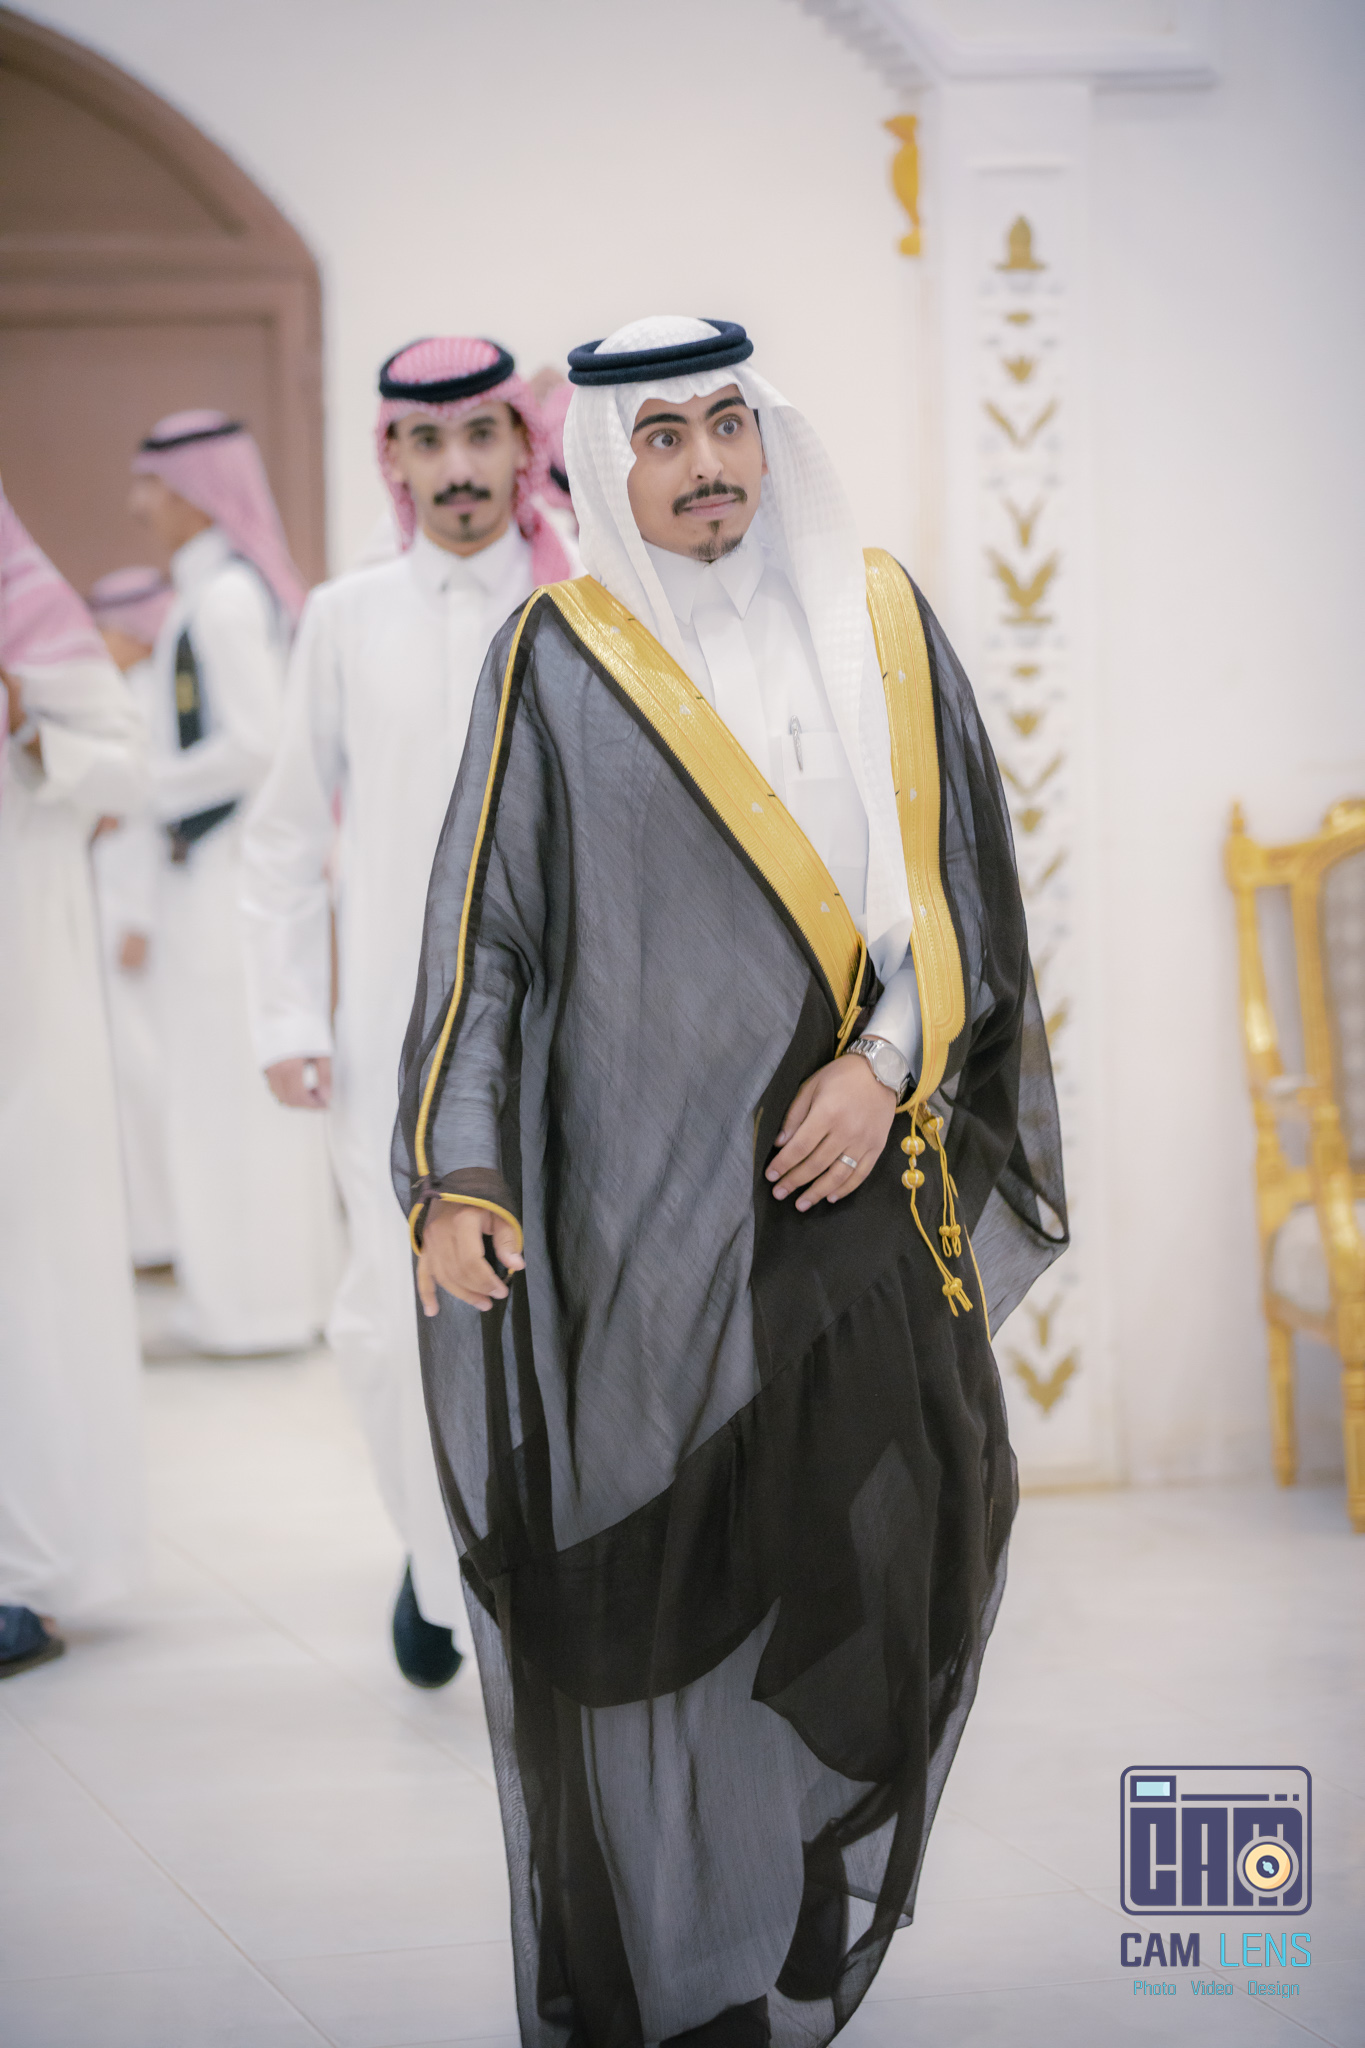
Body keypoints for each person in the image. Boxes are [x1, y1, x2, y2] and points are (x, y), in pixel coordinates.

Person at [395, 317, 1067, 2043]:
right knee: (684, 1579)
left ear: (766, 434)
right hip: (653, 1215)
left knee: (917, 1537)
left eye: (726, 424)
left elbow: (966, 895)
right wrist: (459, 1166)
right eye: (663, 437)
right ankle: (689, 1965)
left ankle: (809, 1876)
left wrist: (885, 1064)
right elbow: (488, 936)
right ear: (602, 466)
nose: (706, 465)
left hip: (865, 1179)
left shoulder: (883, 620)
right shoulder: (559, 658)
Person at [240, 339, 576, 1685]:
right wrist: (287, 1018)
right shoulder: (345, 618)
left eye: (481, 437)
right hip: (394, 1038)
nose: (457, 469)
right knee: (387, 1330)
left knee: (551, 1319)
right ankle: (432, 1553)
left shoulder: (582, 606)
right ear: (391, 457)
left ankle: (526, 1584)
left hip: (558, 1027)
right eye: (427, 443)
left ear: (522, 448)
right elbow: (281, 838)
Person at [129, 412, 337, 1355]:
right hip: (216, 876)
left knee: (229, 1096)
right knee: (225, 1094)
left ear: (191, 489)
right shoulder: (212, 594)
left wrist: (145, 782)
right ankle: (256, 1302)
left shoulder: (218, 601)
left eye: (149, 483)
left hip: (223, 881)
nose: (138, 504)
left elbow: (256, 745)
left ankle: (252, 1311)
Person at [0, 484, 147, 1677]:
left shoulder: (28, 609)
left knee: (22, 1265)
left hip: (19, 995)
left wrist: (25, 726)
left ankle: (23, 1568)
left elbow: (123, 770)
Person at [87, 567, 176, 1270]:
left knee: (149, 1075)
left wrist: (139, 918)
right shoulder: (125, 693)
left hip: (137, 922)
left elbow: (151, 815)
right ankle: (144, 1231)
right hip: (114, 910)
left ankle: (163, 1234)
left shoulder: (149, 698)